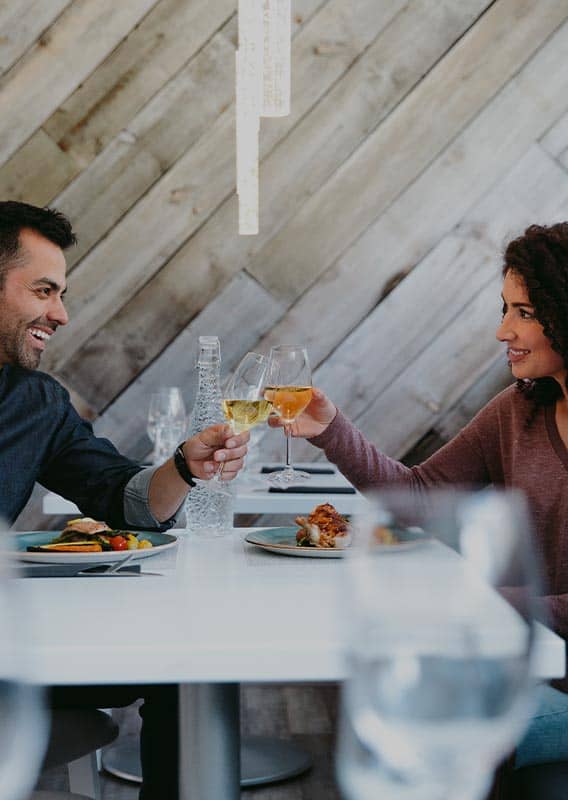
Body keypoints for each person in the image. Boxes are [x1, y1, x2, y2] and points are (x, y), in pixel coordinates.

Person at [271, 222, 568, 781]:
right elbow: (418, 497)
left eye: (525, 312)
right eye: (504, 308)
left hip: (538, 668)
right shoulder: (518, 410)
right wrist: (332, 430)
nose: (503, 330)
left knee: (422, 723)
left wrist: (498, 606)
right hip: (536, 668)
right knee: (390, 704)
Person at [0, 200, 249, 799]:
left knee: (190, 668)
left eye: (61, 293)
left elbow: (126, 501)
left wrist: (184, 467)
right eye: (43, 290)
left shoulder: (35, 402)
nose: (60, 312)